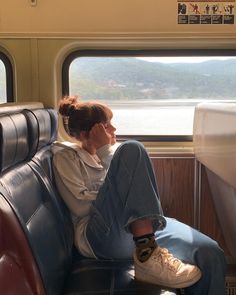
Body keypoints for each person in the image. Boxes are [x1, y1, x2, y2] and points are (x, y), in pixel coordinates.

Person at [52, 96, 226, 294]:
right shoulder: (66, 157)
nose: (114, 130)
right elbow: (81, 207)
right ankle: (147, 252)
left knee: (210, 253)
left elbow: (138, 198)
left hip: (136, 228)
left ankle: (147, 248)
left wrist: (113, 172)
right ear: (87, 133)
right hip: (98, 238)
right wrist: (106, 156)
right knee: (133, 147)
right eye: (106, 126)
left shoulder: (113, 154)